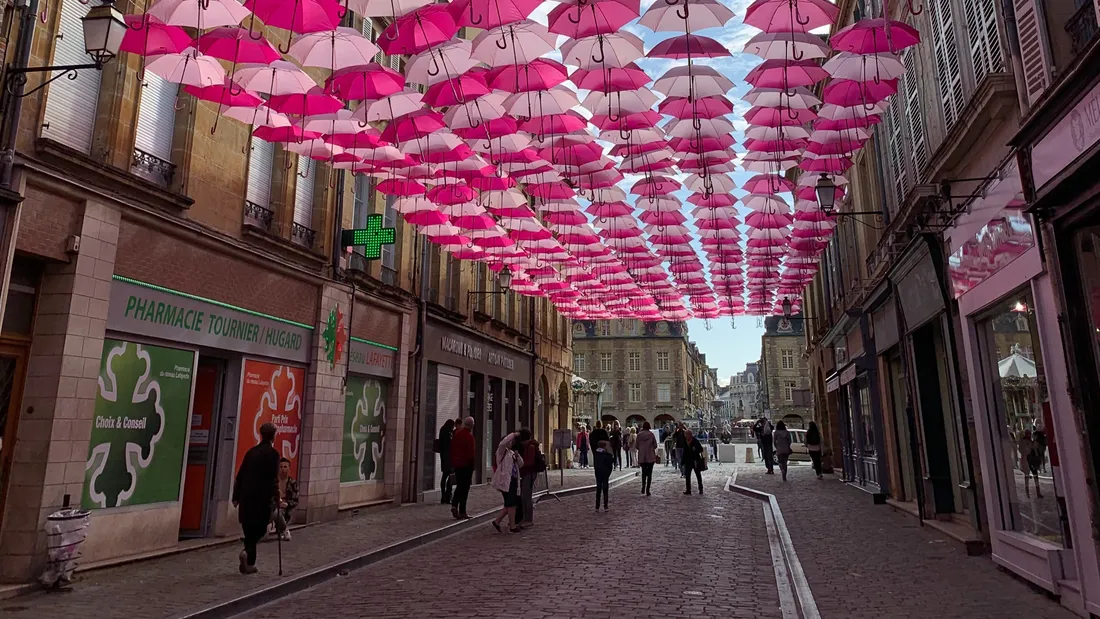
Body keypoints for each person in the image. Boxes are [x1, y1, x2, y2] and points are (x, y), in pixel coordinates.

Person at [232, 422, 280, 575]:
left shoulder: (251, 452)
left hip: (247, 498)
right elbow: (273, 478)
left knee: (249, 530)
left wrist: (236, 496)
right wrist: (276, 495)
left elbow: (240, 475)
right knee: (260, 529)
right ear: (273, 435)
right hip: (261, 498)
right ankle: (247, 554)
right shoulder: (273, 454)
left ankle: (249, 563)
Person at [491, 431, 525, 533]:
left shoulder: (511, 453)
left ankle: (497, 522)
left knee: (509, 504)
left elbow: (521, 464)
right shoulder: (501, 452)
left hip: (513, 481)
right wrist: (513, 434)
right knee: (512, 504)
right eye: (510, 441)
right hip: (506, 481)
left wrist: (517, 456)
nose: (511, 443)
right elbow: (503, 443)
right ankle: (512, 526)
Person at [450, 416, 477, 519]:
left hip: (458, 464)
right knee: (465, 488)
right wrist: (472, 466)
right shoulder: (469, 437)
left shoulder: (457, 434)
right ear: (471, 425)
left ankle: (454, 504)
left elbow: (452, 448)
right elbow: (471, 453)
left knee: (459, 486)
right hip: (466, 465)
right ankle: (462, 511)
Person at [518, 430, 542, 528]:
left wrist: (520, 462)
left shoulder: (530, 447)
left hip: (529, 473)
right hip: (527, 473)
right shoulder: (528, 446)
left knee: (526, 496)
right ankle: (525, 517)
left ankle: (529, 519)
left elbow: (529, 462)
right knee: (524, 496)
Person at [271, 457, 299, 541]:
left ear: (289, 469)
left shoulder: (292, 483)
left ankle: (284, 529)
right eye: (281, 467)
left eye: (285, 467)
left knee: (277, 513)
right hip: (272, 504)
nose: (283, 469)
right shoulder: (273, 481)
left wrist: (287, 504)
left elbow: (295, 500)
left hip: (284, 507)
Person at [636, 421, 658, 496]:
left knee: (643, 473)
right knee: (649, 474)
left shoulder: (639, 435)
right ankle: (648, 489)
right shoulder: (651, 435)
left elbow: (636, 446)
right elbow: (655, 445)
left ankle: (643, 486)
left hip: (642, 456)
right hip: (650, 456)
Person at [681, 429, 705, 495]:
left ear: (690, 435)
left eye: (686, 434)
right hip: (688, 461)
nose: (685, 436)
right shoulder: (685, 441)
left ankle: (701, 489)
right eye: (685, 434)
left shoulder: (695, 441)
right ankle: (688, 490)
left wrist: (695, 449)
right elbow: (684, 452)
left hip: (695, 460)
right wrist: (682, 461)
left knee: (698, 475)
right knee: (688, 475)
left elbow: (701, 449)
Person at [437, 419, 455, 505]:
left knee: (444, 476)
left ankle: (443, 496)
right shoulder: (448, 433)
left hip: (444, 457)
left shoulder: (442, 430)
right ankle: (448, 496)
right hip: (449, 458)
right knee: (450, 477)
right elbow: (451, 444)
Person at [593, 440, 614, 511]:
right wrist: (608, 472)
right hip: (605, 473)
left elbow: (595, 464)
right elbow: (610, 465)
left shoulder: (595, 454)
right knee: (605, 489)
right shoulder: (607, 455)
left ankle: (597, 506)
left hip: (598, 472)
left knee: (598, 488)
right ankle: (605, 506)